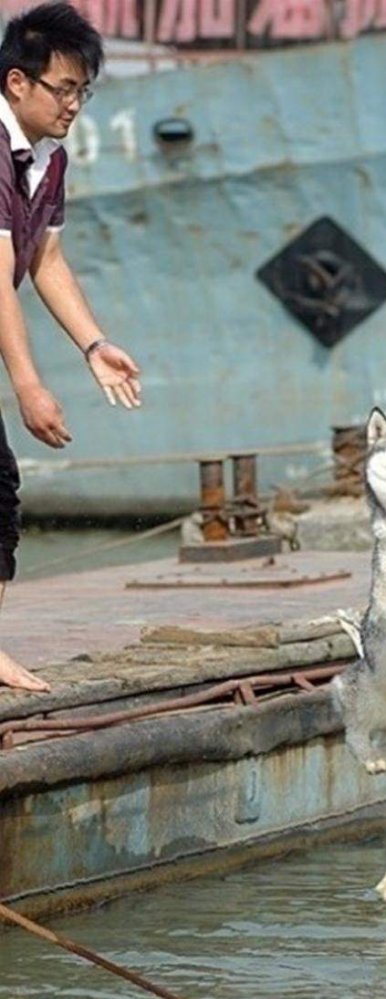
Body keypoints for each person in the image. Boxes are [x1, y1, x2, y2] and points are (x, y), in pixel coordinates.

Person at [0, 2, 141, 692]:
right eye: (65, 88)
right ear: (17, 82)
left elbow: (46, 259)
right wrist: (28, 383)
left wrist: (93, 344)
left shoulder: (47, 159)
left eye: (84, 91)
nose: (75, 105)